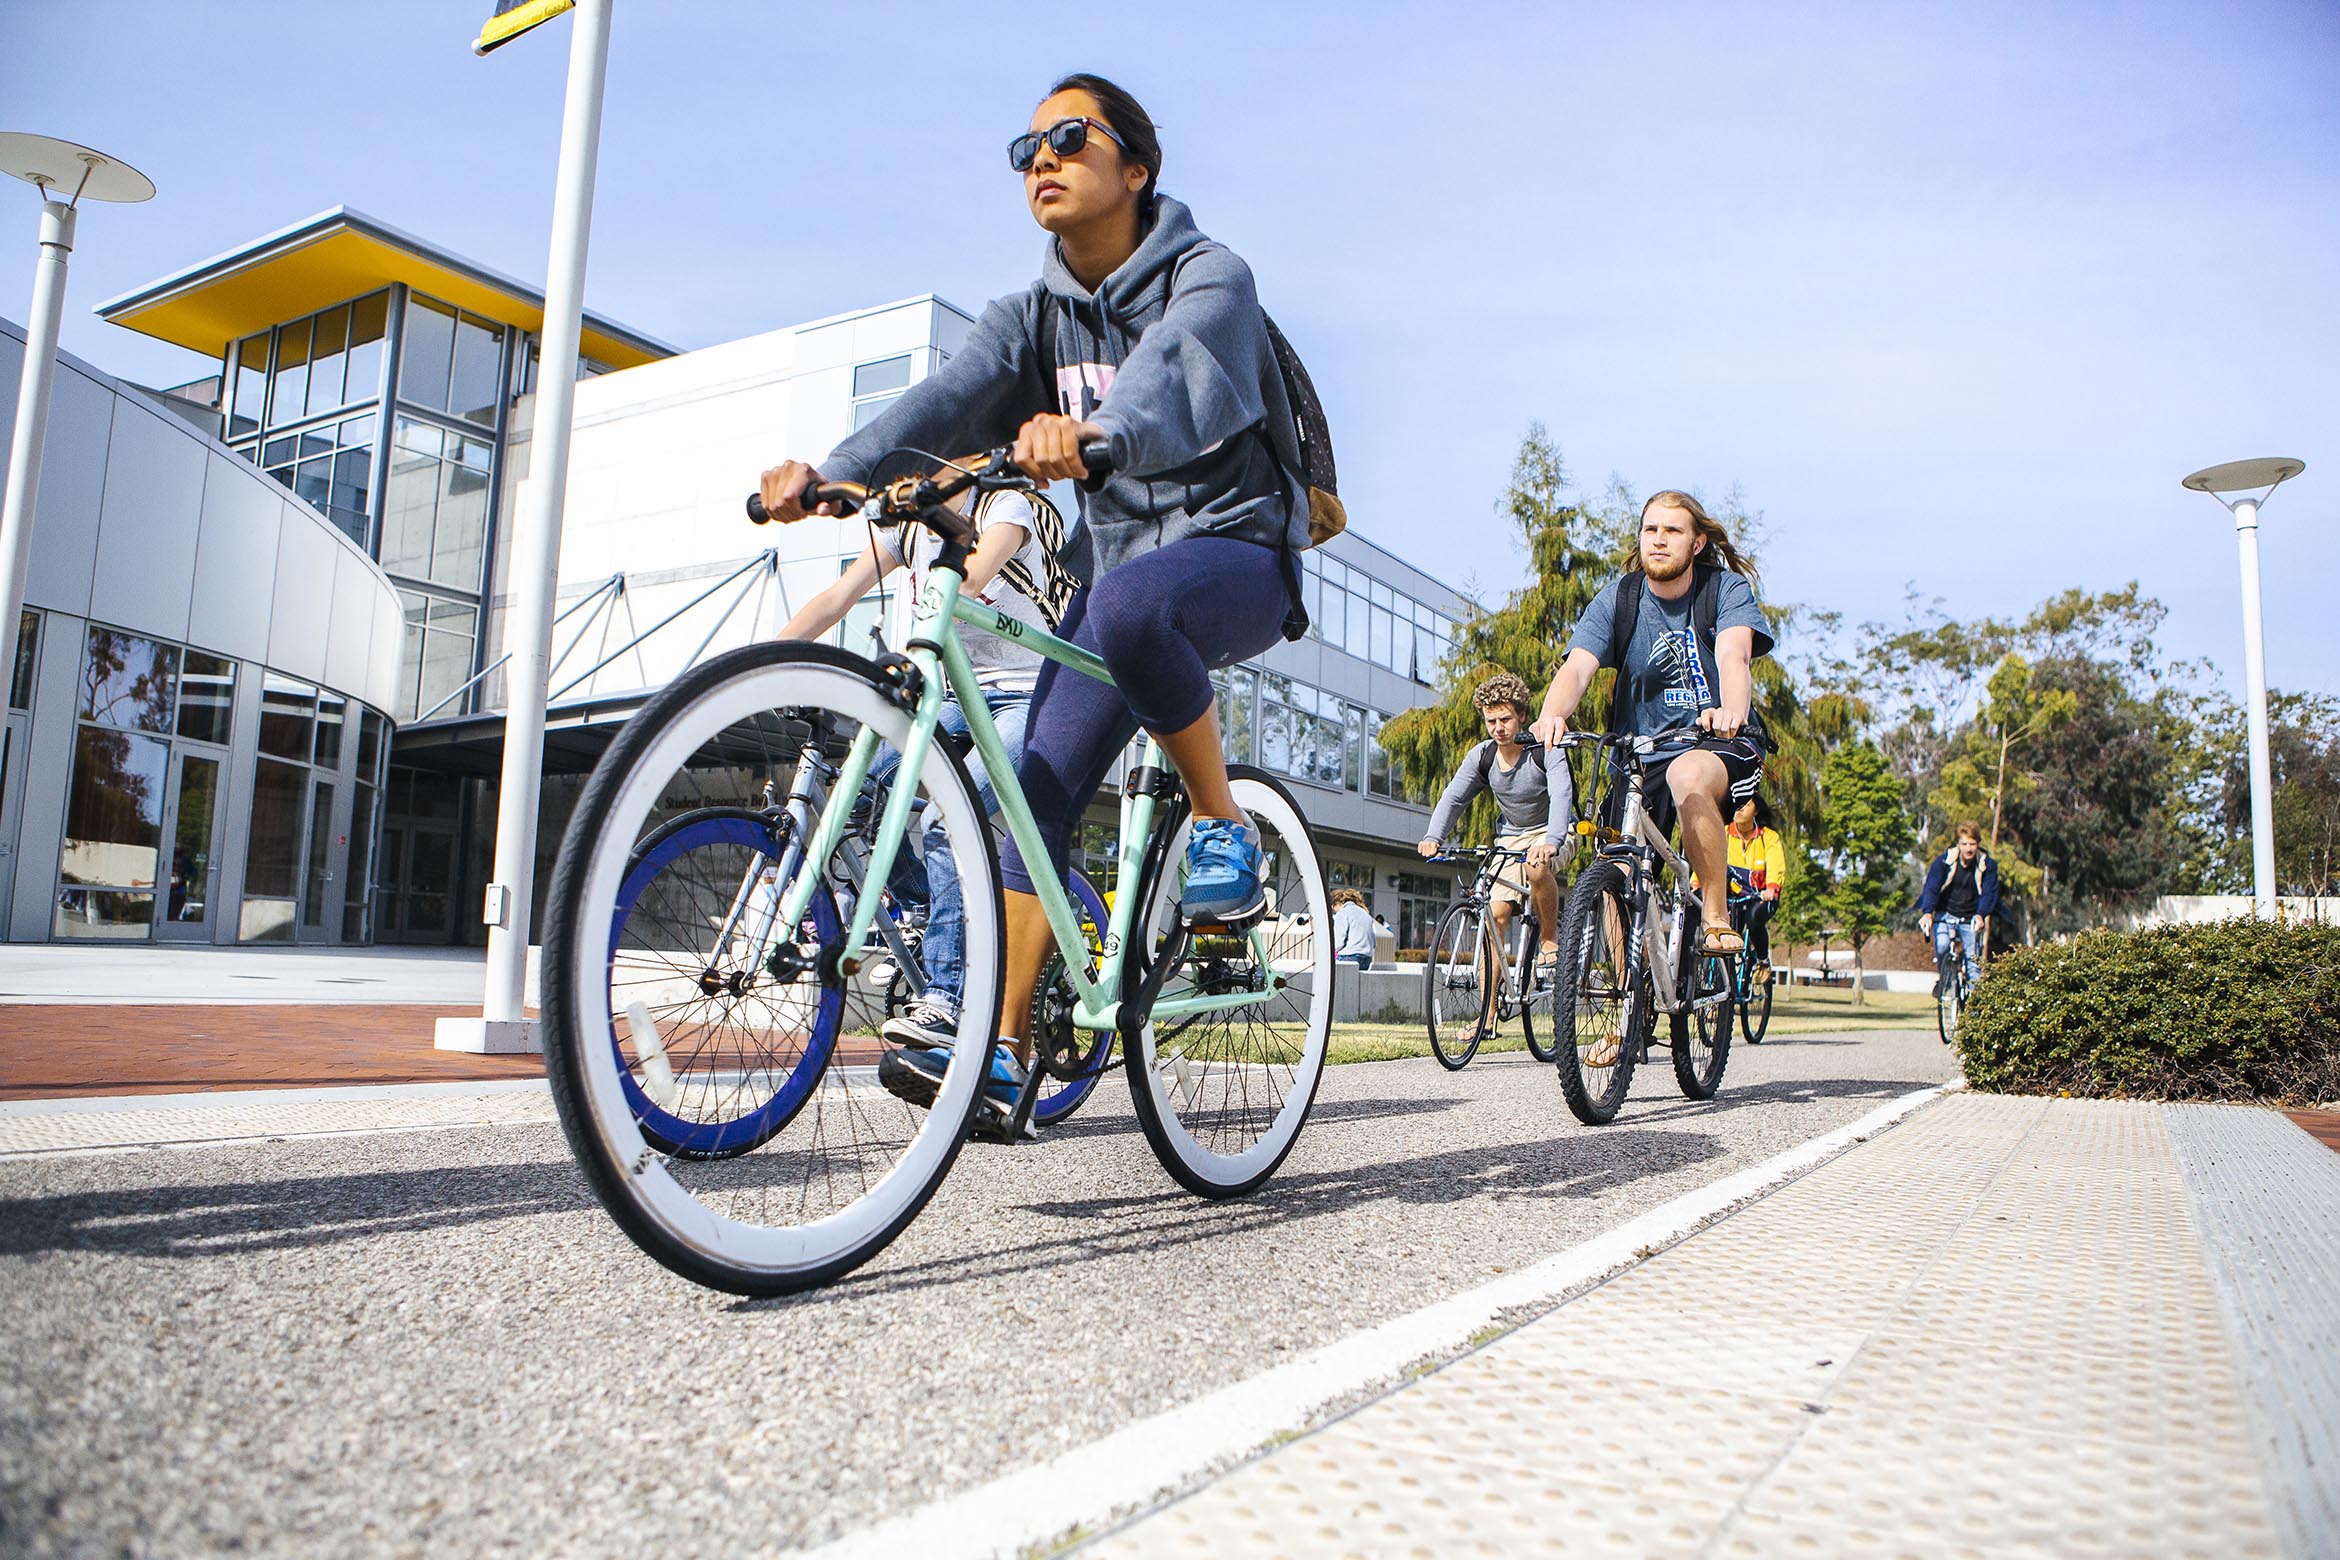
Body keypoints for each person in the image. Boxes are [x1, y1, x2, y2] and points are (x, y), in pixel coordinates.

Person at [757, 73, 1311, 1125]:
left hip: (1237, 553)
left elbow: (1169, 379)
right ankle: (1004, 1051)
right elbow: (951, 396)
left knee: (1142, 602)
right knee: (1030, 789)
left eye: (1070, 137)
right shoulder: (1032, 318)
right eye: (1027, 148)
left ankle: (1220, 825)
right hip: (1118, 581)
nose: (1042, 159)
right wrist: (838, 473)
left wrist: (1093, 437)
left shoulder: (1211, 277)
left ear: (1138, 168)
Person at [774, 484, 1073, 1055]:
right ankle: (927, 910)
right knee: (852, 807)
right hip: (948, 694)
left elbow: (975, 575)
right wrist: (750, 668)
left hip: (1025, 695)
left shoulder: (1002, 506)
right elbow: (836, 598)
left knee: (945, 821)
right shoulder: (905, 527)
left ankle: (947, 998)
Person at [1529, 490, 1774, 959]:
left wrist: (1731, 712)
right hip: (1639, 752)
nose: (1659, 540)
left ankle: (1716, 917)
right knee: (1613, 868)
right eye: (1650, 530)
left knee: (1688, 773)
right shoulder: (1620, 597)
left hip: (1717, 742)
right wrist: (1550, 716)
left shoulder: (1723, 591)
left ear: (1697, 543)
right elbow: (1578, 667)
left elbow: (1734, 655)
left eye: (1672, 531)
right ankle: (1626, 1012)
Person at [1419, 672, 1572, 975]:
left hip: (1554, 829)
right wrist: (1433, 835)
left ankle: (1549, 938)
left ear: (1523, 716)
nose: (1498, 729)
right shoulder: (1483, 755)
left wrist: (1552, 841)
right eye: (1491, 722)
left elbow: (1561, 793)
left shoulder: (1545, 748)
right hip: (1511, 837)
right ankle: (1485, 1021)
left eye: (1505, 719)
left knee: (1536, 867)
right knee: (1494, 918)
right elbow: (1454, 797)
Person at [1917, 821, 1999, 993]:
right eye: (1964, 844)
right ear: (1958, 844)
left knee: (1974, 964)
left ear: (1978, 844)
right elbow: (1931, 887)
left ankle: (1973, 1013)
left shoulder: (1987, 865)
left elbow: (1989, 893)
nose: (1968, 849)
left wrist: (1981, 915)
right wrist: (1927, 913)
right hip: (1945, 914)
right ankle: (1944, 980)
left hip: (1971, 918)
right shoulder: (1944, 862)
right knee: (1942, 946)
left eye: (1972, 844)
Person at [1725, 794, 1785, 978]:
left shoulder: (1768, 837)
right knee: (1724, 930)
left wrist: (1772, 888)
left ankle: (1762, 959)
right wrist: (1696, 883)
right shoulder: (1724, 833)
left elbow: (1776, 865)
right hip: (1731, 896)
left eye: (1746, 804)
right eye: (1737, 804)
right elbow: (1710, 862)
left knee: (1753, 918)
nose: (1739, 808)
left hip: (1760, 897)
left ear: (1756, 810)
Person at [1331, 889, 1377, 970]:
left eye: (1333, 908)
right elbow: (1373, 942)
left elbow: (1338, 942)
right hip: (1367, 957)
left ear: (1337, 903)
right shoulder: (1365, 913)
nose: (1334, 911)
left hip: (1349, 956)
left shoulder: (1342, 913)